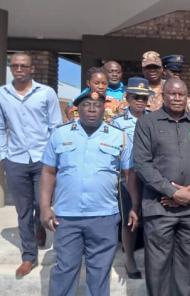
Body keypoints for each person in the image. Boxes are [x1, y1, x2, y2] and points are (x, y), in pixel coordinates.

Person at [40, 91, 138, 296]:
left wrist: (134, 206)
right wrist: (44, 207)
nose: (92, 109)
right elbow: (48, 172)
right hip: (67, 216)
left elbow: (130, 174)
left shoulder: (118, 136)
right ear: (77, 108)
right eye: (87, 105)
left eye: (97, 105)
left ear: (104, 109)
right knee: (65, 269)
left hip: (104, 216)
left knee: (100, 272)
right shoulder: (60, 134)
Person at [133, 78, 190, 296]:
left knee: (186, 268)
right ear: (163, 96)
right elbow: (142, 164)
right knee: (157, 268)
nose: (177, 98)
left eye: (181, 94)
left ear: (187, 96)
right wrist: (172, 191)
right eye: (172, 94)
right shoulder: (147, 123)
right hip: (159, 208)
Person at [0, 52, 62, 278]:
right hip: (15, 160)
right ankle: (29, 256)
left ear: (31, 69)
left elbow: (56, 126)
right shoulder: (2, 94)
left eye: (23, 66)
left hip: (43, 159)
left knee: (41, 202)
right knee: (23, 209)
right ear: (10, 68)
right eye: (15, 65)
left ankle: (39, 226)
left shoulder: (46, 93)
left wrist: (56, 157)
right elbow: (0, 127)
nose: (19, 69)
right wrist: (3, 155)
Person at [111, 77, 154, 279]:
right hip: (128, 176)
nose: (140, 101)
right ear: (127, 98)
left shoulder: (154, 119)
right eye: (136, 97)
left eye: (144, 98)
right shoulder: (118, 122)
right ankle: (129, 259)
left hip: (151, 176)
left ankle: (150, 260)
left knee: (150, 220)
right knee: (130, 220)